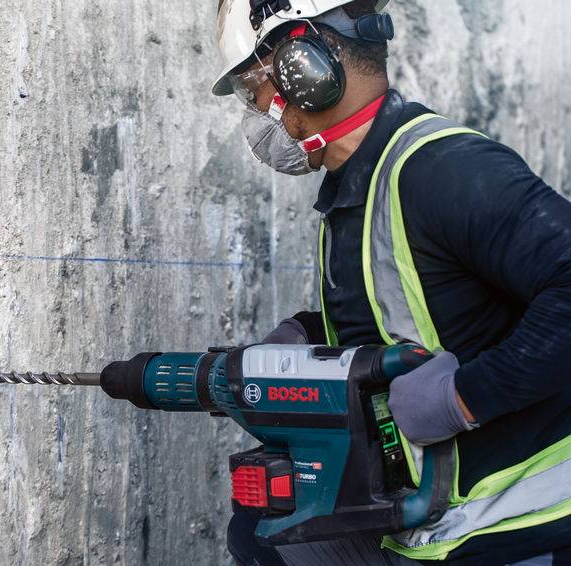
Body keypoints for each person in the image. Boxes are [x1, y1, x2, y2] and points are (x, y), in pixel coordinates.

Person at [211, 1, 571, 564]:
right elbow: (418, 305)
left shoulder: (444, 170)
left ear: (305, 67)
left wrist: (465, 397)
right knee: (264, 533)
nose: (255, 111)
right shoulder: (358, 186)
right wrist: (310, 336)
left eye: (254, 85)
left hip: (517, 522)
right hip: (425, 515)